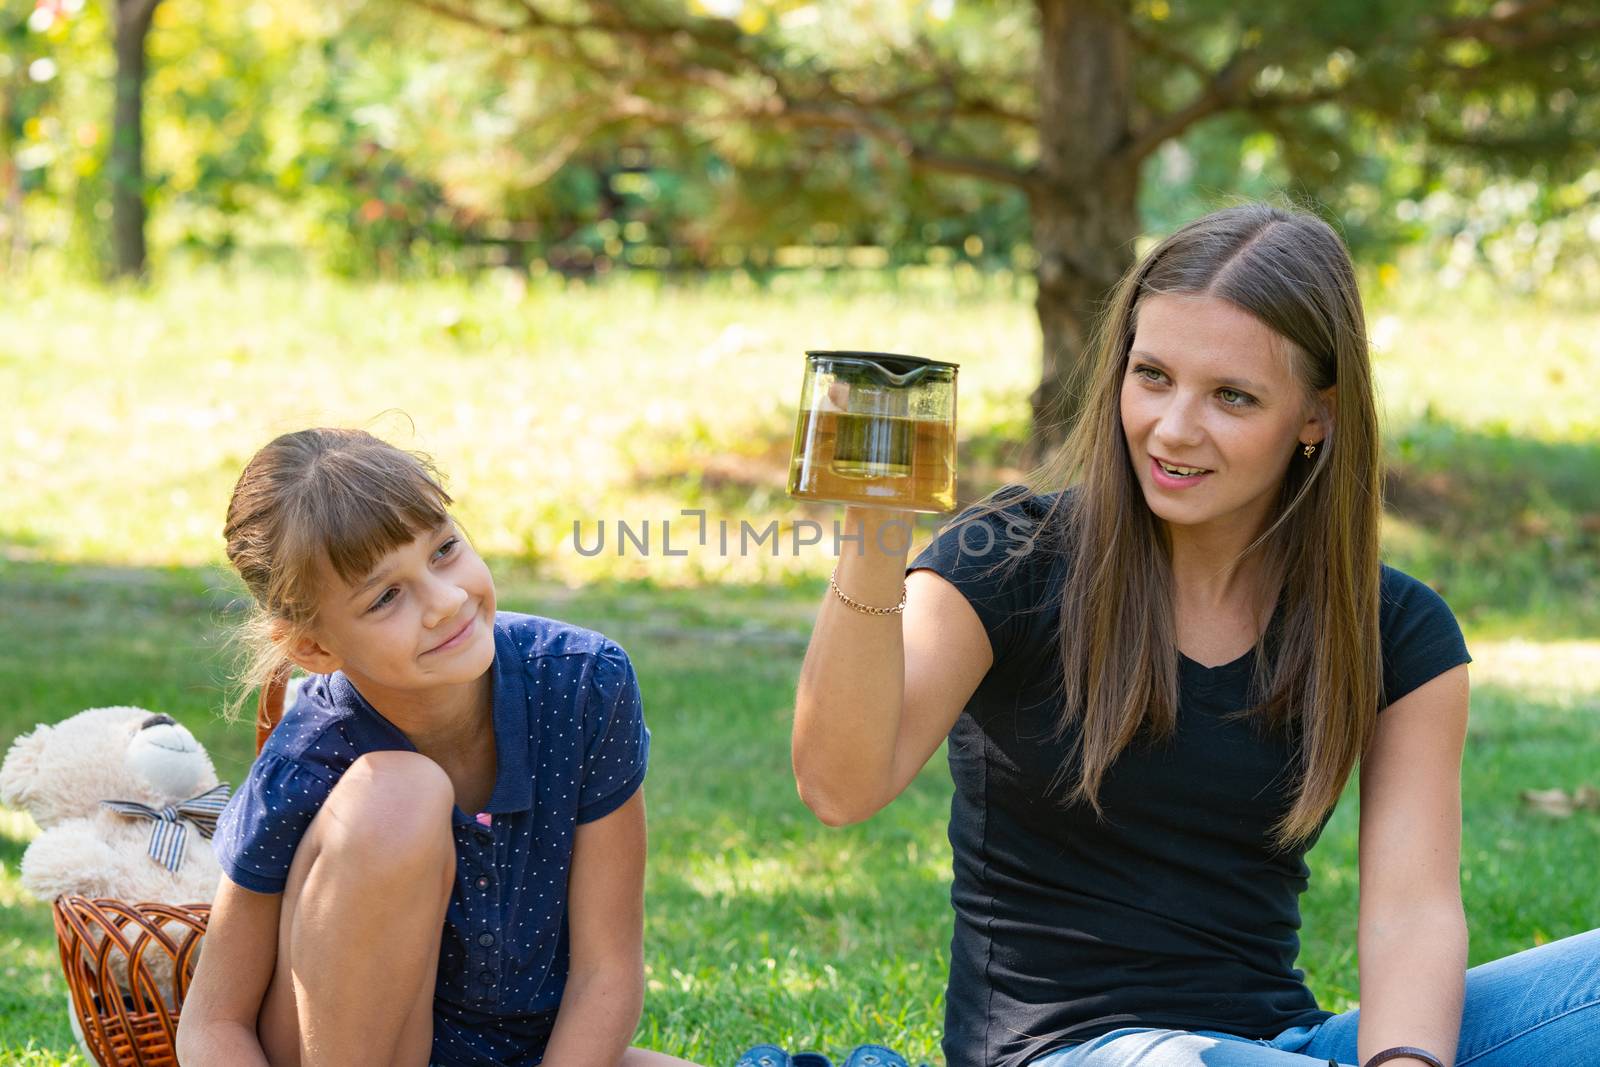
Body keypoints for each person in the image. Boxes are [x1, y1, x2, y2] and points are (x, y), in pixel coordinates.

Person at [791, 204, 1600, 1067]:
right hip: (1075, 1054)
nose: (1175, 428)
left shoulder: (1394, 629)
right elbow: (841, 785)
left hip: (1283, 1045)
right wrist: (872, 530)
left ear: (1316, 417)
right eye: (1153, 376)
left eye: (1232, 396)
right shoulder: (1012, 560)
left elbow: (1413, 909)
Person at [176, 428, 695, 1067]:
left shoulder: (584, 684)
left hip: (522, 1052)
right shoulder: (309, 754)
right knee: (399, 795)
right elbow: (213, 1023)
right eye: (386, 596)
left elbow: (606, 974)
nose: (445, 603)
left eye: (444, 550)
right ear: (313, 648)